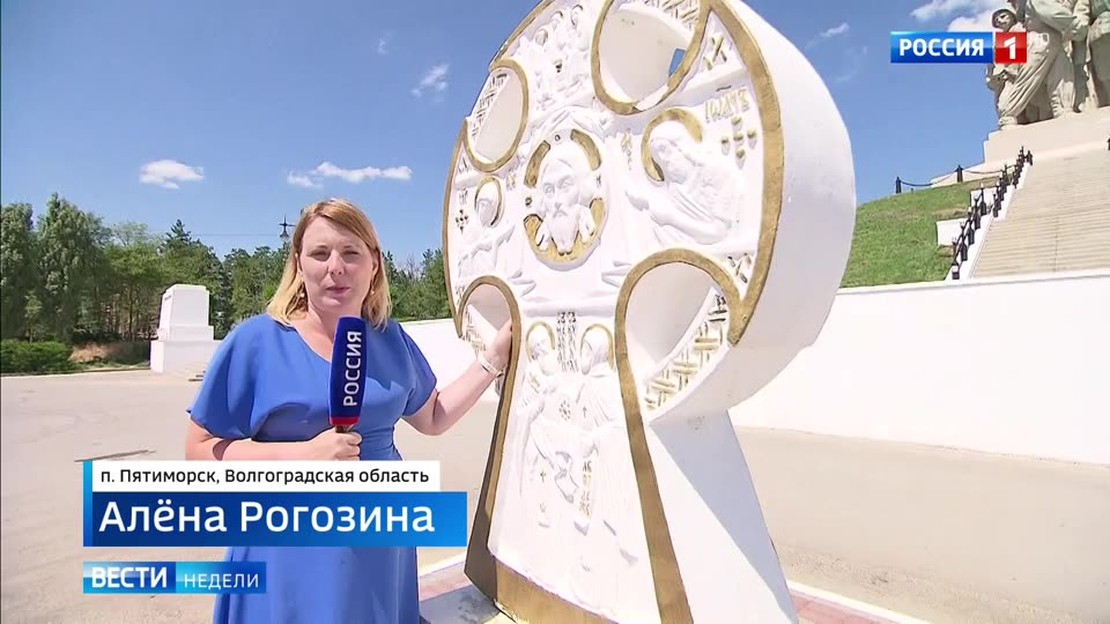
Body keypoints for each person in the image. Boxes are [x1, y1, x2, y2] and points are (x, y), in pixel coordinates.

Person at [183, 197, 513, 624]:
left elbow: (432, 416)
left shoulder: (390, 338)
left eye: (351, 253)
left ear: (374, 264)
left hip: (381, 548)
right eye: (320, 253)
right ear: (298, 264)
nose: (335, 267)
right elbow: (200, 451)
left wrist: (492, 361)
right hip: (288, 554)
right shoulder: (256, 342)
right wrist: (302, 456)